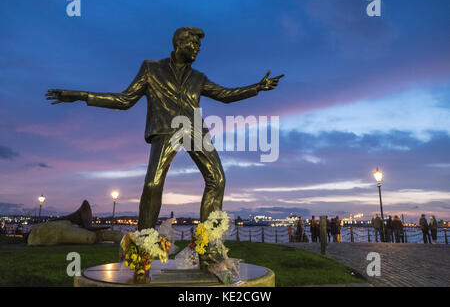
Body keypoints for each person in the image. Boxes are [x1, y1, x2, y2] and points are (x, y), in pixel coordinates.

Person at [45, 27, 284, 230]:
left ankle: (209, 242)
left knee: (217, 179)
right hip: (165, 130)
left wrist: (257, 87)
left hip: (194, 131)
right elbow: (124, 100)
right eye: (194, 44)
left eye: (200, 46)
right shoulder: (151, 69)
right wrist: (81, 95)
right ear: (180, 44)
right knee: (152, 184)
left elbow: (225, 95)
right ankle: (145, 242)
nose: (198, 49)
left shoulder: (198, 77)